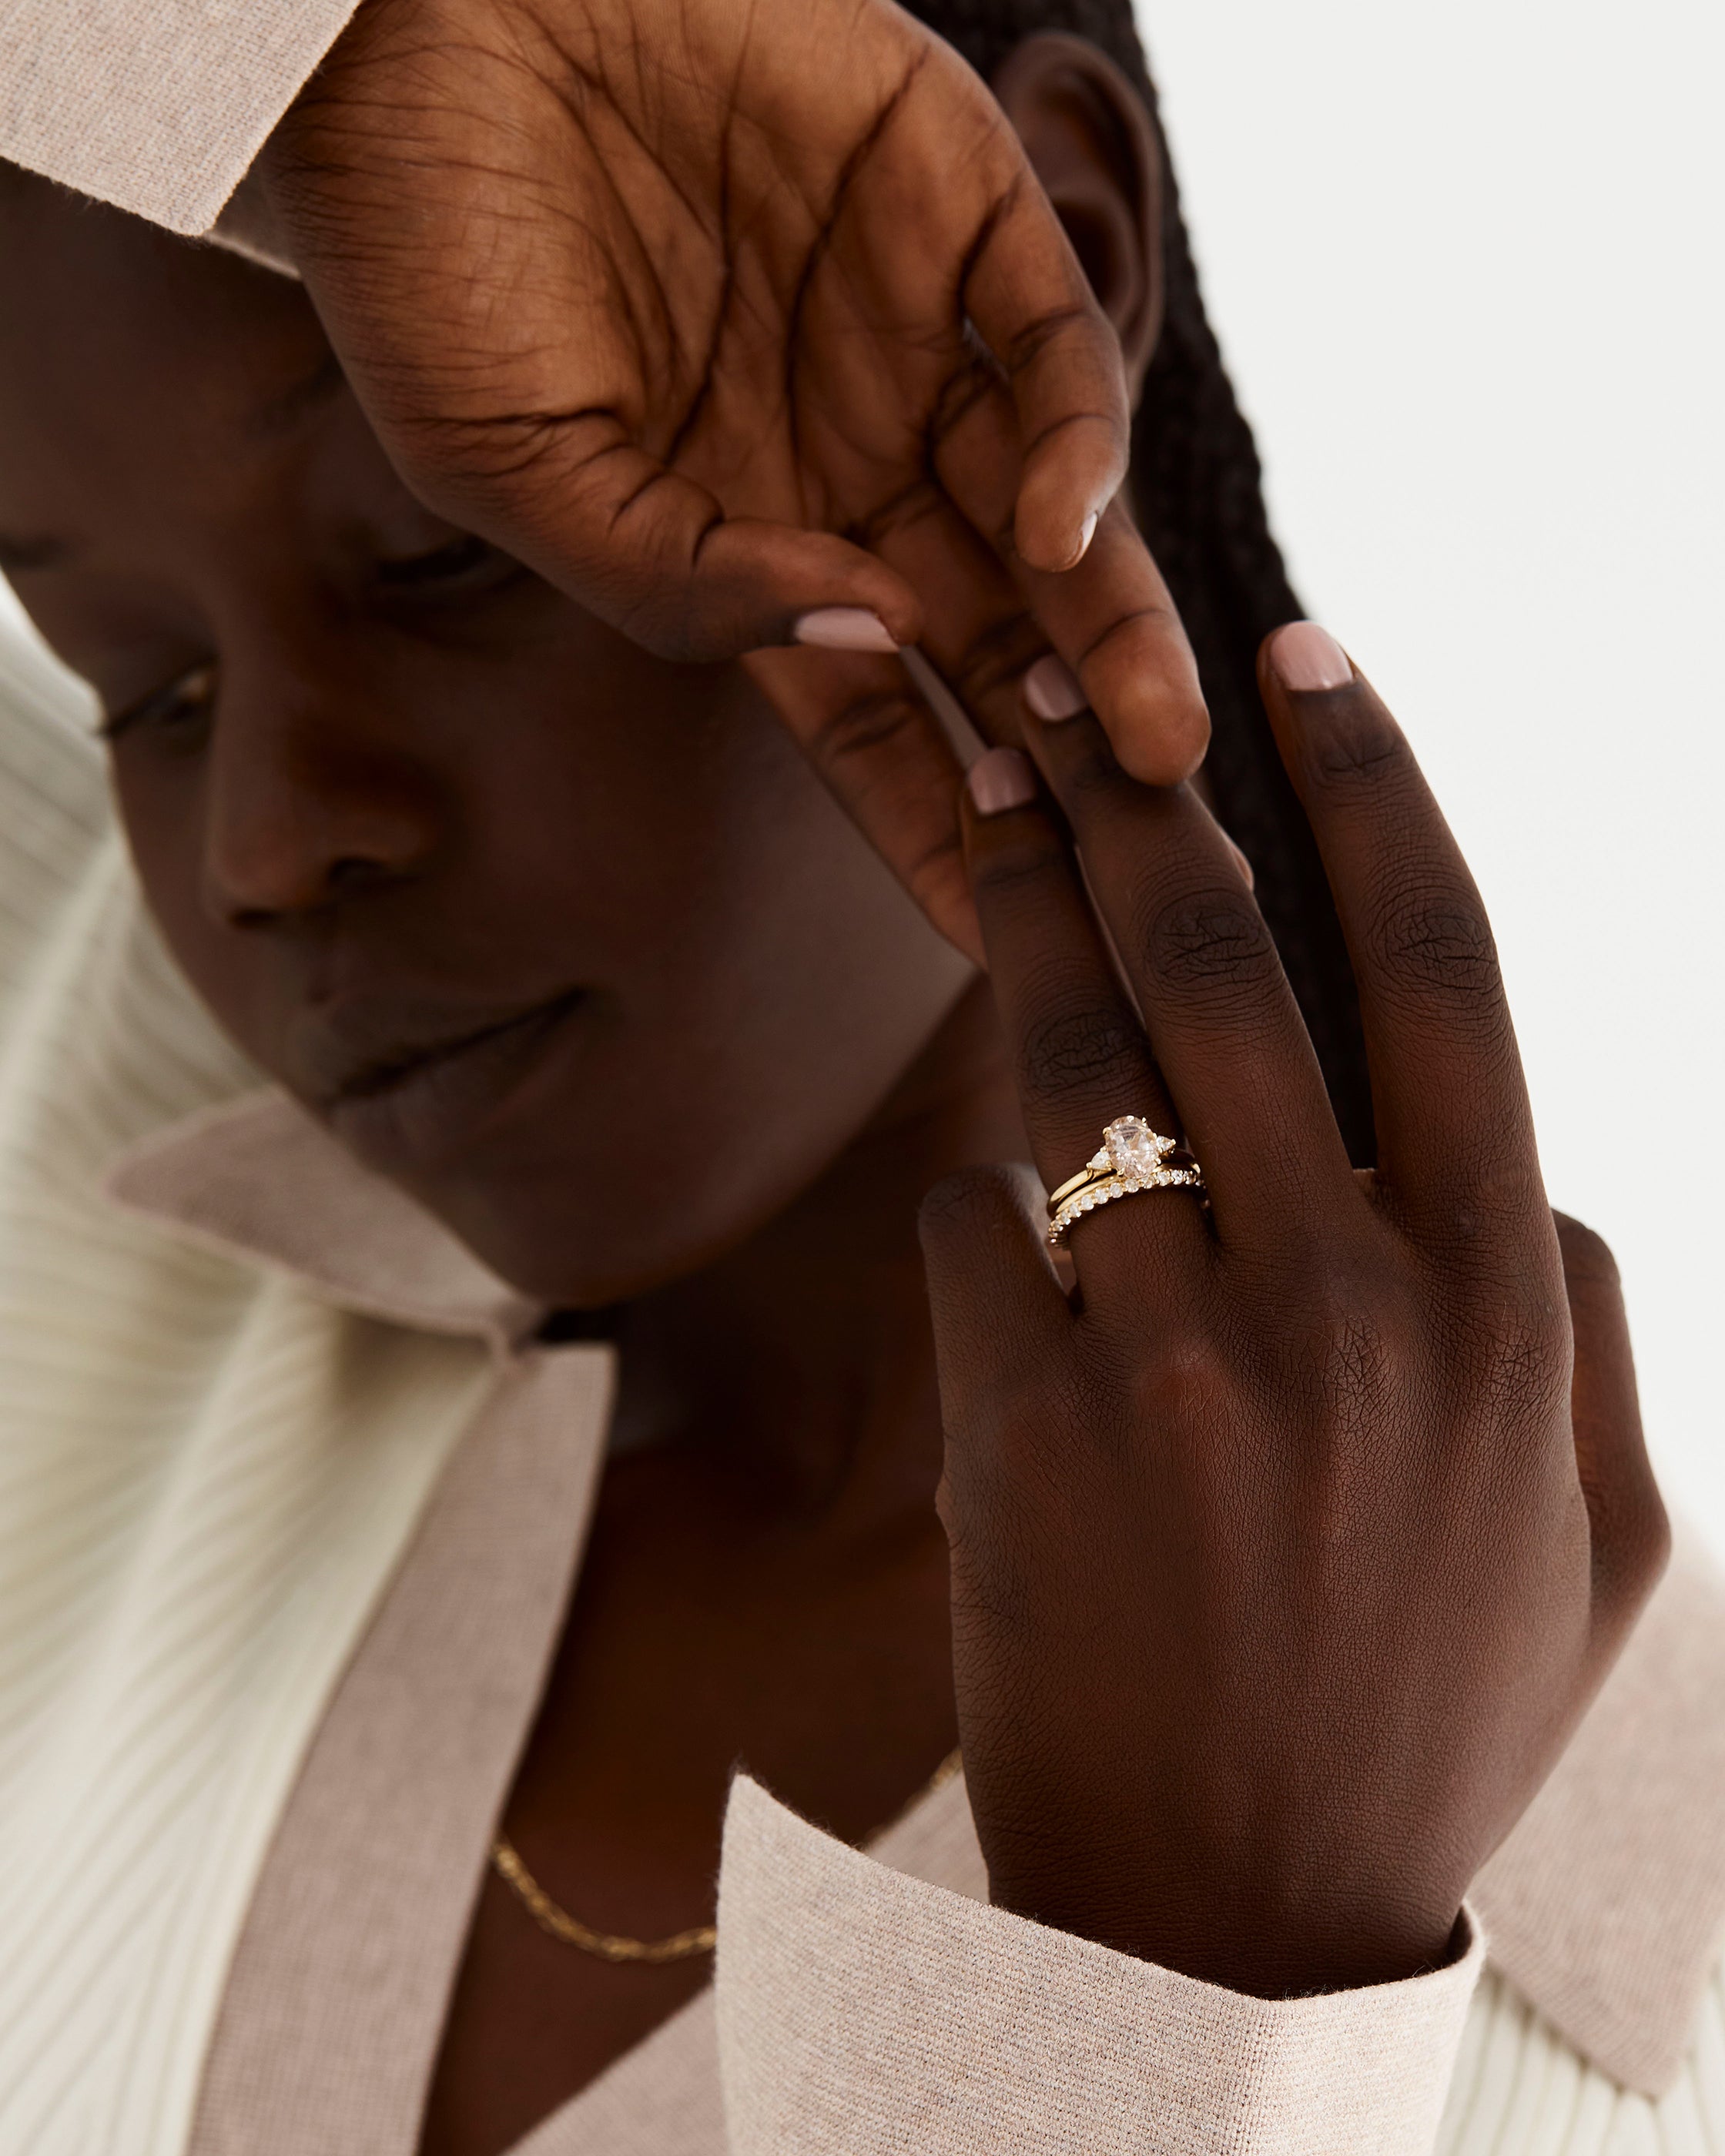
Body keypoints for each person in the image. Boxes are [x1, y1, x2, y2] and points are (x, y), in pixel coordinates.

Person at [0, 6, 1721, 2156]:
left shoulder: (1664, 2020)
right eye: (137, 690)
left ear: (1025, 263)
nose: (265, 841)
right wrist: (333, 54)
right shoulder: (61, 1092)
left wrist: (1186, 2014)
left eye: (447, 552)